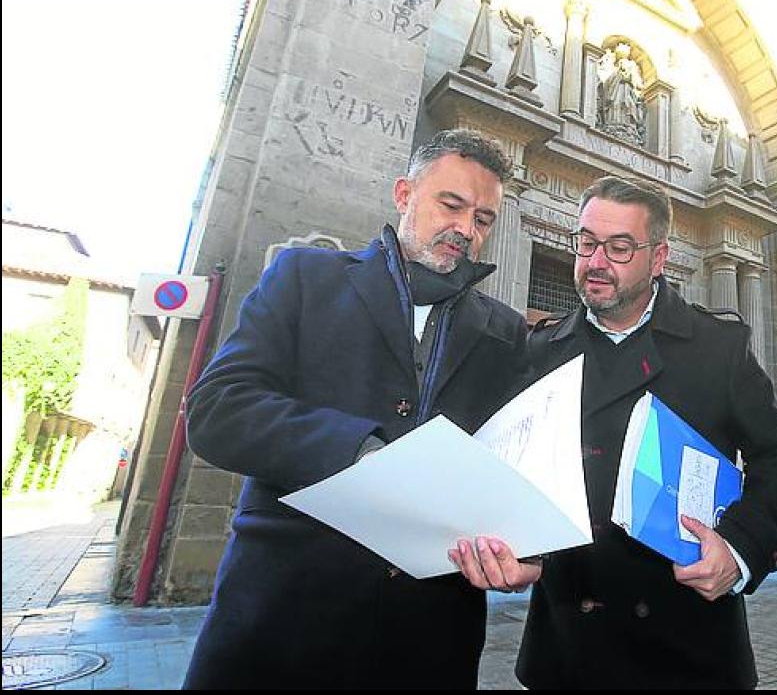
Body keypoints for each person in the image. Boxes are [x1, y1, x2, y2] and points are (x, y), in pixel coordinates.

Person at [182, 129, 536, 689]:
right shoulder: (305, 278)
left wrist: (529, 549)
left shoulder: (506, 332)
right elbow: (218, 409)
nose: (466, 229)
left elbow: (521, 460)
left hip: (429, 643)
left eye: (484, 219)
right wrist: (361, 451)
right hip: (282, 626)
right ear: (404, 193)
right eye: (452, 204)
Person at [457, 176, 777, 688]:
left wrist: (739, 550)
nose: (596, 261)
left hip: (686, 647)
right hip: (566, 649)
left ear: (659, 258)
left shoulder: (717, 348)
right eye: (586, 243)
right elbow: (510, 469)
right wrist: (517, 546)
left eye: (619, 247)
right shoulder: (539, 350)